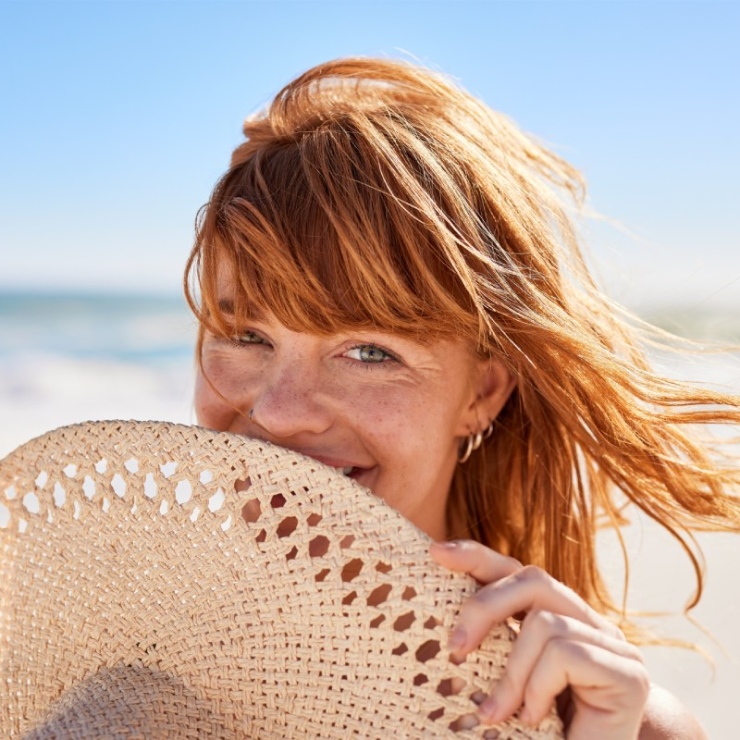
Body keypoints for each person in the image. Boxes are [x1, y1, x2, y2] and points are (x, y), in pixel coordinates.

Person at [184, 57, 740, 739]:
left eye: (369, 352)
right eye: (244, 335)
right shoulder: (105, 666)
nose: (278, 411)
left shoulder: (607, 723)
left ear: (481, 391)